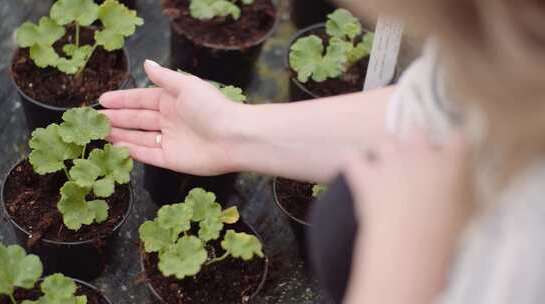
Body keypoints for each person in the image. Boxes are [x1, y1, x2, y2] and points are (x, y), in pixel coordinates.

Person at [99, 0, 545, 303]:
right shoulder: (508, 53)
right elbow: (436, 109)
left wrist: (399, 273)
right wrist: (233, 130)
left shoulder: (524, 251)